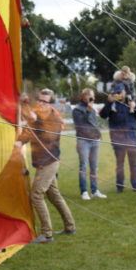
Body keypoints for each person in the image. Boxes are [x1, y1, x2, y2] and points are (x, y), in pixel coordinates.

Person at [15, 88, 76, 244]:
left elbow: (47, 137)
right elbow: (29, 132)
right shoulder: (38, 117)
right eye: (39, 100)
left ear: (51, 104)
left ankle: (47, 234)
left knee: (36, 195)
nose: (41, 103)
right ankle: (70, 227)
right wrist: (19, 141)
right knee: (54, 195)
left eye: (45, 101)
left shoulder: (54, 119)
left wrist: (35, 119)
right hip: (43, 162)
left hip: (49, 162)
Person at [100, 82, 136, 192]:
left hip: (131, 137)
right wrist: (109, 103)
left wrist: (135, 107)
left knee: (133, 164)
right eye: (116, 92)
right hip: (118, 138)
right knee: (120, 164)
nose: (119, 94)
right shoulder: (111, 103)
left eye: (120, 92)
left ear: (125, 92)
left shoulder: (131, 102)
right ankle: (120, 186)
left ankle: (135, 185)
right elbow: (103, 115)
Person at [72, 88, 107, 200]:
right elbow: (80, 124)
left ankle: (95, 190)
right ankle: (84, 191)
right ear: (84, 96)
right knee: (83, 166)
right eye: (91, 96)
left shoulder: (92, 108)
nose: (93, 99)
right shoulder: (77, 109)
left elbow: (94, 123)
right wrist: (88, 110)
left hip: (95, 140)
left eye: (93, 97)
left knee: (94, 167)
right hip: (83, 141)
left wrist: (98, 133)